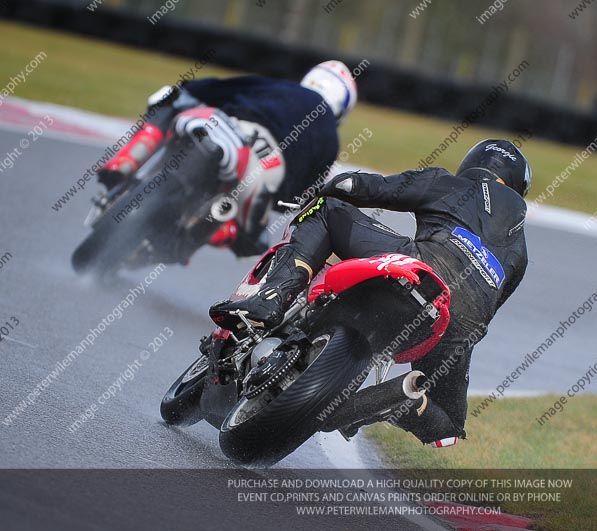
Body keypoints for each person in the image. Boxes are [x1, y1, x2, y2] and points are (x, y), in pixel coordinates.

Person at [210, 139, 531, 446]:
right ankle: (400, 400)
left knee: (327, 209)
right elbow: (489, 312)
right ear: (517, 188)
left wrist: (323, 188)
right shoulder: (521, 253)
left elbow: (361, 188)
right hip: (459, 325)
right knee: (447, 423)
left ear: (471, 164)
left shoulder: (449, 183)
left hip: (425, 268)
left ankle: (271, 300)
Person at [97, 60, 358, 256]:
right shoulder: (331, 141)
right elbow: (300, 198)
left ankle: (123, 163)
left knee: (172, 100)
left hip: (225, 127)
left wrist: (186, 89)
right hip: (262, 173)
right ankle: (203, 232)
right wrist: (273, 203)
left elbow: (216, 88)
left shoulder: (281, 86)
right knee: (251, 239)